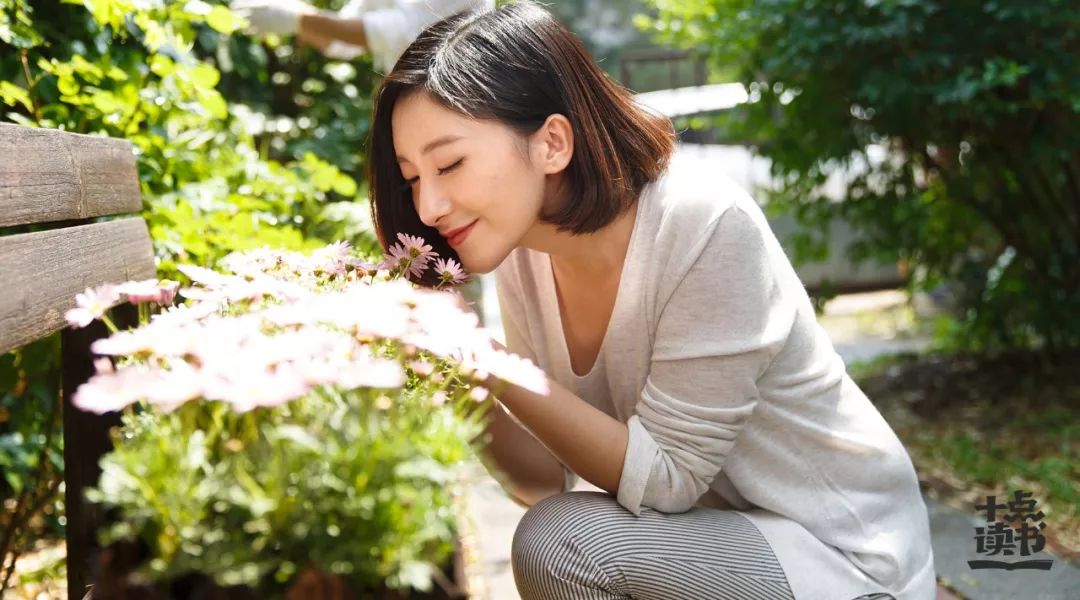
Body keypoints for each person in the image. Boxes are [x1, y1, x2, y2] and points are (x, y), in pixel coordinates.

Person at [366, 2, 937, 599]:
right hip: (718, 545)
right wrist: (461, 376)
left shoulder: (702, 222)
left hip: (843, 553)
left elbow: (667, 478)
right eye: (411, 178)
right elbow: (545, 482)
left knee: (561, 544)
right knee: (555, 531)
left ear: (552, 143)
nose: (428, 207)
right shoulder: (521, 255)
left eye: (450, 164)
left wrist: (487, 360)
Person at [230, 0, 493, 73]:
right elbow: (343, 40)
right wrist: (294, 22)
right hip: (406, 99)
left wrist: (298, 18)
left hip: (461, 97)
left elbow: (396, 32)